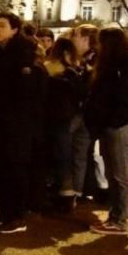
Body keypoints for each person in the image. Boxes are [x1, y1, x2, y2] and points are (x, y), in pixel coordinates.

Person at [84, 28, 128, 235]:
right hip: (115, 125)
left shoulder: (123, 70)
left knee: (121, 173)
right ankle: (116, 215)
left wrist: (112, 122)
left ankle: (120, 219)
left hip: (121, 126)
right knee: (114, 172)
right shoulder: (118, 67)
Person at [0, 12, 46, 234]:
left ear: (15, 29)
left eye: (2, 25)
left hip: (18, 122)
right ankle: (3, 210)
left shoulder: (25, 55)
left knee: (15, 167)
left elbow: (27, 92)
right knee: (0, 166)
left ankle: (17, 215)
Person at [44, 30, 94, 212]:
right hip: (79, 114)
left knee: (61, 155)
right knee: (78, 155)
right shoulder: (81, 69)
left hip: (60, 117)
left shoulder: (50, 69)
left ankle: (64, 193)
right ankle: (76, 192)